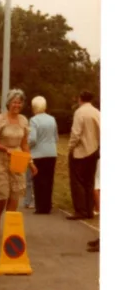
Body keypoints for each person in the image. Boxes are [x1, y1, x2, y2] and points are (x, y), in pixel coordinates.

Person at [0, 88, 33, 237]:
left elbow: (24, 144)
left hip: (17, 159)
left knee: (15, 194)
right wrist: (5, 149)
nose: (17, 105)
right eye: (14, 102)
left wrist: (31, 162)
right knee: (2, 194)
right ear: (8, 103)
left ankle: (9, 225)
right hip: (1, 159)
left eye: (19, 102)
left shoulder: (23, 120)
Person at [67, 90, 100, 220]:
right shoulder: (97, 112)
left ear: (80, 99)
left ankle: (81, 210)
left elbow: (76, 133)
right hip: (94, 150)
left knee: (78, 182)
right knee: (89, 181)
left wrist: (70, 147)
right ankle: (89, 209)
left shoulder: (79, 112)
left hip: (80, 152)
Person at [28, 96, 59, 214]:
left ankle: (40, 207)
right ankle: (47, 205)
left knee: (39, 180)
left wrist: (26, 145)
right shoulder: (52, 119)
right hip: (51, 152)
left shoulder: (33, 120)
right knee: (49, 180)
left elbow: (33, 139)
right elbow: (56, 137)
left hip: (38, 153)